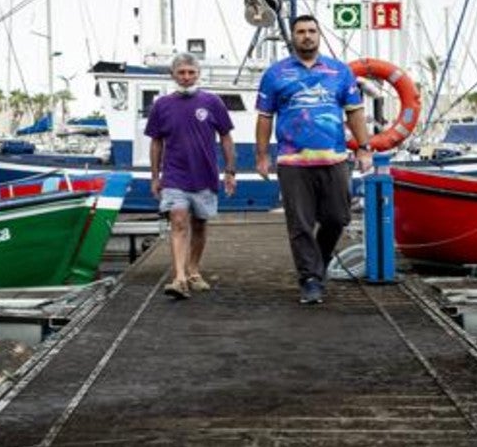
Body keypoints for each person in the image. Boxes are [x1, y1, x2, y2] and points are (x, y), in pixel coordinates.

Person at [255, 15, 373, 305]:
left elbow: (355, 111)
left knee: (338, 217)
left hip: (333, 158)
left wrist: (364, 147)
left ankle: (318, 262)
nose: (306, 36)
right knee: (300, 223)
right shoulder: (275, 74)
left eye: (311, 31)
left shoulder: (339, 72)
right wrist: (261, 156)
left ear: (319, 35)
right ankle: (310, 279)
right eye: (300, 32)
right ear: (293, 37)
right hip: (292, 161)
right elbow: (264, 117)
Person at [145, 52, 237, 300]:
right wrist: (155, 176)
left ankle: (193, 269)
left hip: (205, 174)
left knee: (200, 224)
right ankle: (179, 278)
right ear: (173, 75)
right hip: (175, 175)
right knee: (177, 220)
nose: (186, 77)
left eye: (191, 72)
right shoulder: (161, 105)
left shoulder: (212, 102)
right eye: (181, 72)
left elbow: (226, 136)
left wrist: (230, 170)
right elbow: (156, 142)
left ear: (198, 74)